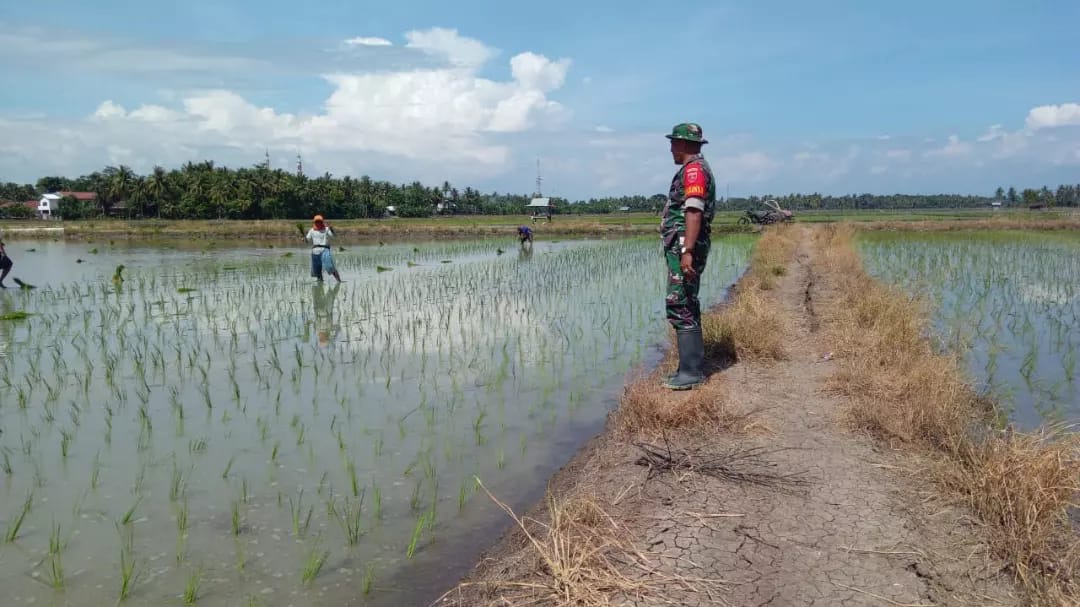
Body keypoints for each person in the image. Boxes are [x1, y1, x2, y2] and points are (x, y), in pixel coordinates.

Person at [660, 122, 717, 390]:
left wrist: (687, 251)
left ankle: (691, 373)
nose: (671, 148)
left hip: (686, 246)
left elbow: (693, 211)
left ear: (683, 144)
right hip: (685, 245)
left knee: (680, 303)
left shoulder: (693, 171)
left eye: (673, 143)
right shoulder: (693, 169)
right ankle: (689, 368)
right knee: (687, 302)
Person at [304, 215, 341, 283]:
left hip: (325, 250)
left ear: (322, 222)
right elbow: (307, 240)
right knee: (317, 269)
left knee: (330, 266)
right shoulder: (312, 230)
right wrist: (304, 239)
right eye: (317, 222)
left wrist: (332, 230)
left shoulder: (326, 229)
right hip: (315, 251)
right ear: (314, 222)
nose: (318, 223)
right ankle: (320, 283)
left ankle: (339, 281)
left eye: (320, 221)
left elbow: (333, 236)